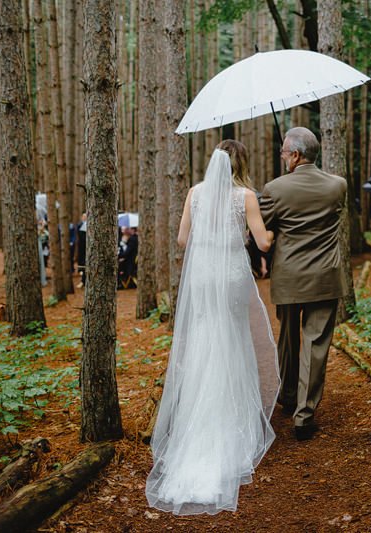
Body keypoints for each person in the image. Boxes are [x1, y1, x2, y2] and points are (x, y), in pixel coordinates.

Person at [146, 140, 279, 516]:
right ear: (241, 163)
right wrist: (271, 228)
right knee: (233, 339)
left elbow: (183, 239)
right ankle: (233, 424)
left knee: (205, 340)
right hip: (231, 273)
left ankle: (195, 426)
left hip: (203, 275)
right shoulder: (246, 196)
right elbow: (264, 242)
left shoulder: (194, 193)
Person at [259, 127, 349, 441]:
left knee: (288, 338)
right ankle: (304, 415)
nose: (283, 157)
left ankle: (287, 396)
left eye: (284, 153)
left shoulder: (274, 189)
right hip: (325, 277)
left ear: (296, 155)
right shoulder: (338, 186)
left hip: (289, 278)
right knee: (316, 343)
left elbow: (262, 231)